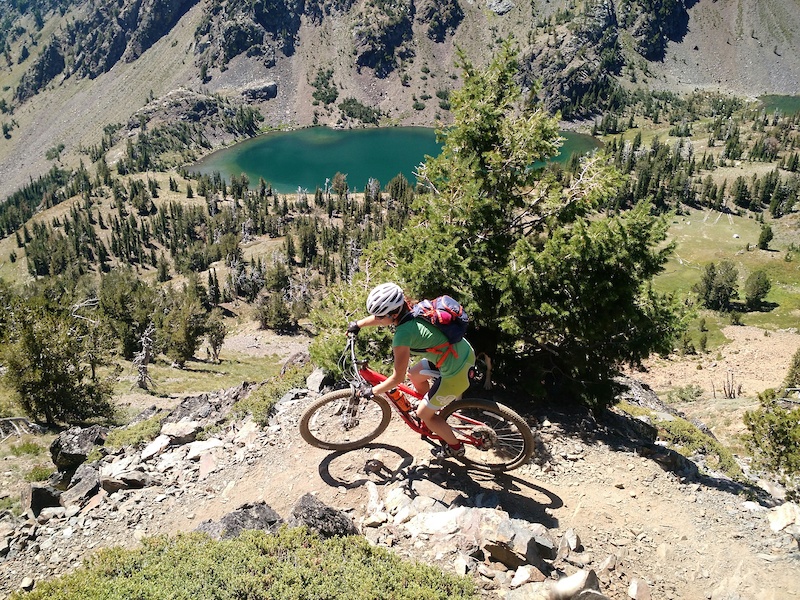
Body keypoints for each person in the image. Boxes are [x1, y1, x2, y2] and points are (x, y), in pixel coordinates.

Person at [347, 282, 476, 459]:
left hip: (456, 371)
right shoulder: (411, 310)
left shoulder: (403, 335)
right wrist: (358, 324)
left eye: (380, 316)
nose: (377, 319)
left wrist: (373, 391)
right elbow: (382, 319)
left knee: (423, 413)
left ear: (393, 315)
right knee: (414, 374)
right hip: (458, 353)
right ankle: (433, 409)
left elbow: (396, 378)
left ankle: (455, 447)